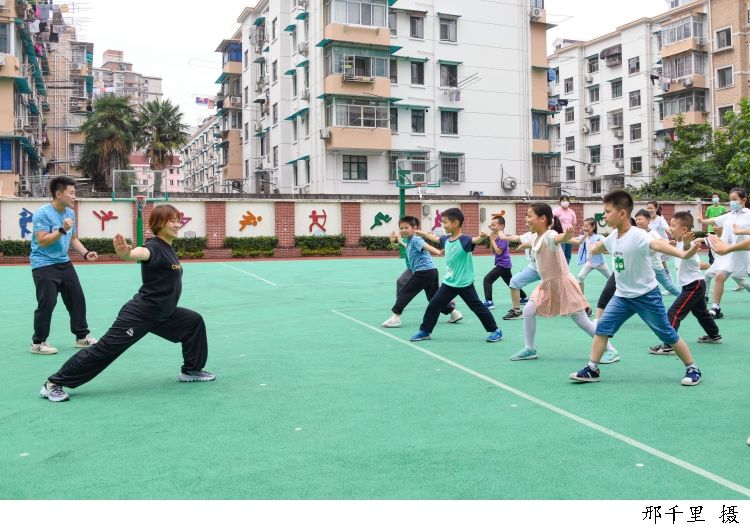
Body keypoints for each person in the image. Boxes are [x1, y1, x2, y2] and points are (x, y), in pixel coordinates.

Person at [40, 205, 215, 402]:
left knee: (193, 322)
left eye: (178, 220)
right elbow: (138, 254)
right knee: (106, 349)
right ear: (159, 224)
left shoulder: (168, 247)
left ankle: (191, 371)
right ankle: (53, 383)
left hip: (163, 313)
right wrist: (125, 254)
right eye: (172, 221)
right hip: (140, 314)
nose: (177, 224)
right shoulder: (154, 247)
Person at [569, 190, 704, 386]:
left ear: (622, 213)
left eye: (607, 212)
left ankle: (692, 368)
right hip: (622, 296)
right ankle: (592, 369)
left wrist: (682, 254)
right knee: (602, 329)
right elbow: (603, 244)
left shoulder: (639, 235)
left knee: (666, 333)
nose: (604, 216)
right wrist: (595, 247)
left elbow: (657, 244)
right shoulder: (615, 235)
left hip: (646, 296)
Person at [501, 204, 617, 362]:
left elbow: (557, 239)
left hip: (563, 285)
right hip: (546, 285)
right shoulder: (535, 236)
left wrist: (565, 237)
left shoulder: (550, 234)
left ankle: (610, 349)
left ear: (542, 219)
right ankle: (530, 349)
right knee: (528, 310)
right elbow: (533, 243)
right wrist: (523, 244)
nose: (526, 219)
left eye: (529, 216)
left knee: (583, 322)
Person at [409, 208, 502, 342]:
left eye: (445, 222)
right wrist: (422, 233)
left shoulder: (465, 240)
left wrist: (482, 237)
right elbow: (435, 238)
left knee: (477, 307)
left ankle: (495, 330)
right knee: (434, 304)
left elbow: (475, 240)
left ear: (456, 223)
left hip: (464, 283)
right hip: (449, 283)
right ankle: (425, 331)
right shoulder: (446, 239)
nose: (443, 225)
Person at [29, 176, 99, 355]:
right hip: (43, 264)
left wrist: (85, 253)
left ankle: (82, 337)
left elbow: (73, 238)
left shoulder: (70, 213)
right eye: (72, 193)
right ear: (59, 194)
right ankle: (38, 343)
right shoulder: (42, 214)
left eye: (75, 193)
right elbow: (43, 241)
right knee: (47, 303)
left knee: (77, 299)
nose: (75, 196)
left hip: (64, 263)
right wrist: (61, 230)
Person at [648, 211, 721, 355]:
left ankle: (668, 345)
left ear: (684, 230)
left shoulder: (690, 244)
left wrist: (687, 244)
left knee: (674, 313)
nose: (670, 228)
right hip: (695, 285)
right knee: (701, 313)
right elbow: (690, 259)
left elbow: (688, 249)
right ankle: (714, 335)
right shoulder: (679, 243)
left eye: (673, 226)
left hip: (694, 286)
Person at [382, 216, 462, 328]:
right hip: (431, 271)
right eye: (401, 228)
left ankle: (395, 317)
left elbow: (426, 246)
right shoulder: (410, 241)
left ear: (414, 228)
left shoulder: (416, 239)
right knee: (433, 297)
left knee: (406, 291)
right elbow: (409, 248)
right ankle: (454, 313)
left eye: (406, 227)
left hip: (424, 272)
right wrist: (399, 242)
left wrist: (438, 252)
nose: (403, 230)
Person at [697, 187, 750, 319]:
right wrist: (702, 221)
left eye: (734, 199)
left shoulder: (748, 214)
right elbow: (714, 220)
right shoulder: (729, 215)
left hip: (744, 253)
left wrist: (741, 232)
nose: (732, 202)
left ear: (743, 200)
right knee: (719, 276)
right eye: (730, 199)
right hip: (729, 254)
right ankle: (716, 308)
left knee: (744, 278)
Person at [481, 214, 527, 311]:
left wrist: (492, 241)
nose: (492, 227)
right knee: (511, 283)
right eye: (491, 225)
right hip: (503, 265)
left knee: (487, 280)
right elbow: (493, 252)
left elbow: (498, 251)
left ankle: (489, 302)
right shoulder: (497, 237)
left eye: (494, 225)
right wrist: (491, 240)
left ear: (501, 226)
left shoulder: (503, 238)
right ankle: (524, 298)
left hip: (503, 265)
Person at [634, 209, 681, 297]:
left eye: (640, 219)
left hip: (655, 267)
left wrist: (668, 243)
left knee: (669, 287)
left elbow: (660, 240)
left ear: (648, 220)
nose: (637, 221)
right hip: (643, 268)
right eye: (636, 220)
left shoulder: (653, 232)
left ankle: (684, 299)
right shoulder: (636, 233)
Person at [500, 231, 536, 320]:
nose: (527, 223)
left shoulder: (549, 234)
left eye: (531, 219)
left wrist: (566, 237)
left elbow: (560, 238)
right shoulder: (528, 235)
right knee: (514, 281)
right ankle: (517, 312)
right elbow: (516, 237)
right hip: (533, 268)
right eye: (527, 220)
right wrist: (504, 237)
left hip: (549, 270)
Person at [571, 217, 610, 295]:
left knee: (611, 279)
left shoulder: (599, 237)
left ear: (593, 227)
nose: (585, 228)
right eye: (584, 226)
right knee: (580, 277)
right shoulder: (584, 237)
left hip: (601, 263)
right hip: (589, 263)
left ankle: (617, 294)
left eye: (587, 226)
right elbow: (578, 241)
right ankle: (582, 297)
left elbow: (604, 243)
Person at [553, 195, 577, 263]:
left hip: (569, 236)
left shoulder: (572, 212)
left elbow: (574, 223)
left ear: (569, 202)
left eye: (566, 200)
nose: (565, 202)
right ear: (560, 202)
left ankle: (566, 269)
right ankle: (561, 270)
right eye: (563, 200)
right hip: (560, 235)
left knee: (568, 254)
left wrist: (572, 232)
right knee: (561, 253)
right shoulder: (556, 211)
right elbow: (553, 223)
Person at [705, 193, 726, 266]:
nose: (715, 198)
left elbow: (724, 218)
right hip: (711, 230)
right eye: (714, 197)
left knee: (721, 244)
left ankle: (722, 262)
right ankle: (711, 262)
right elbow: (707, 218)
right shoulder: (709, 208)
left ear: (719, 198)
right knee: (711, 246)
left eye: (716, 197)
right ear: (712, 199)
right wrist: (712, 225)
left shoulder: (722, 208)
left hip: (720, 229)